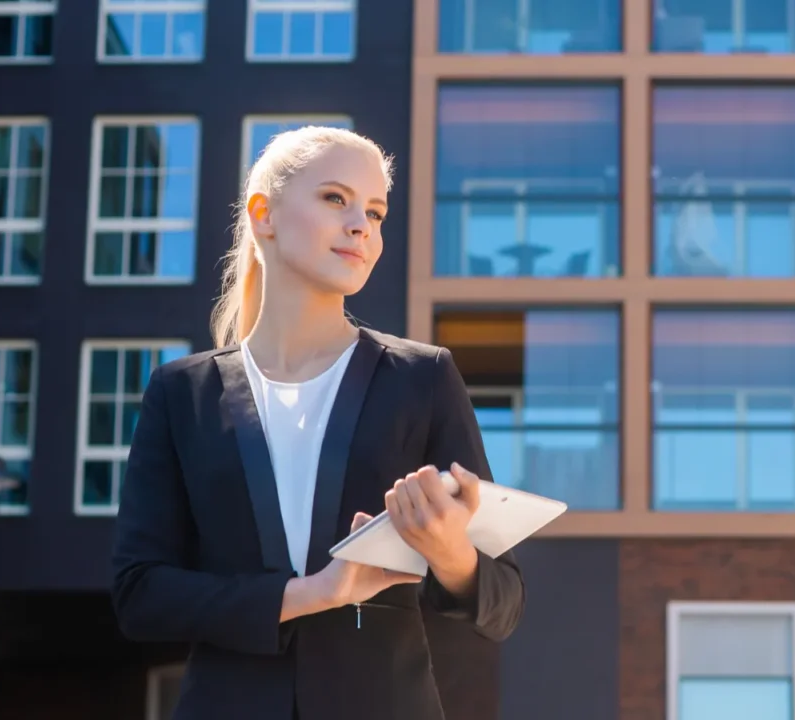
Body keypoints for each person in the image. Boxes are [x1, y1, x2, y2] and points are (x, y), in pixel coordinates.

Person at [110, 126, 526, 720]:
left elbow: (504, 602)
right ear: (264, 215)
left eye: (376, 212)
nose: (363, 226)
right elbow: (140, 595)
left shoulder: (423, 378)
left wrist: (450, 553)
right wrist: (311, 594)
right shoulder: (182, 393)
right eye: (336, 199)